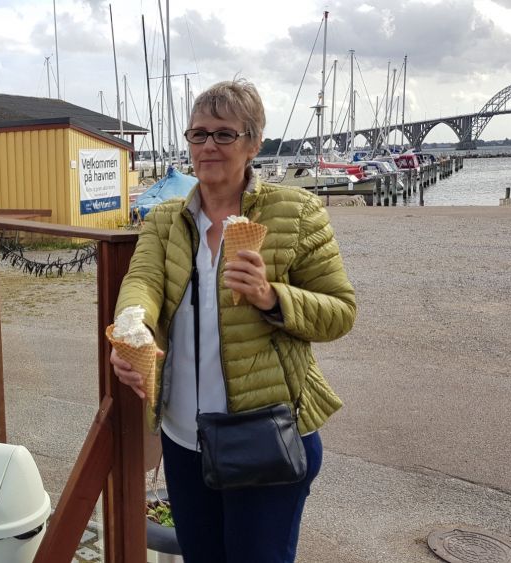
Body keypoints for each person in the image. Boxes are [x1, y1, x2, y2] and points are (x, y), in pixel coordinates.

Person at [110, 80, 357, 562]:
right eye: (198, 133)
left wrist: (271, 296)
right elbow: (141, 283)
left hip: (265, 435)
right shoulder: (166, 219)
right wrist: (132, 329)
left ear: (253, 143)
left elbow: (340, 311)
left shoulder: (296, 212)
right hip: (185, 436)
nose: (208, 146)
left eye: (224, 134)